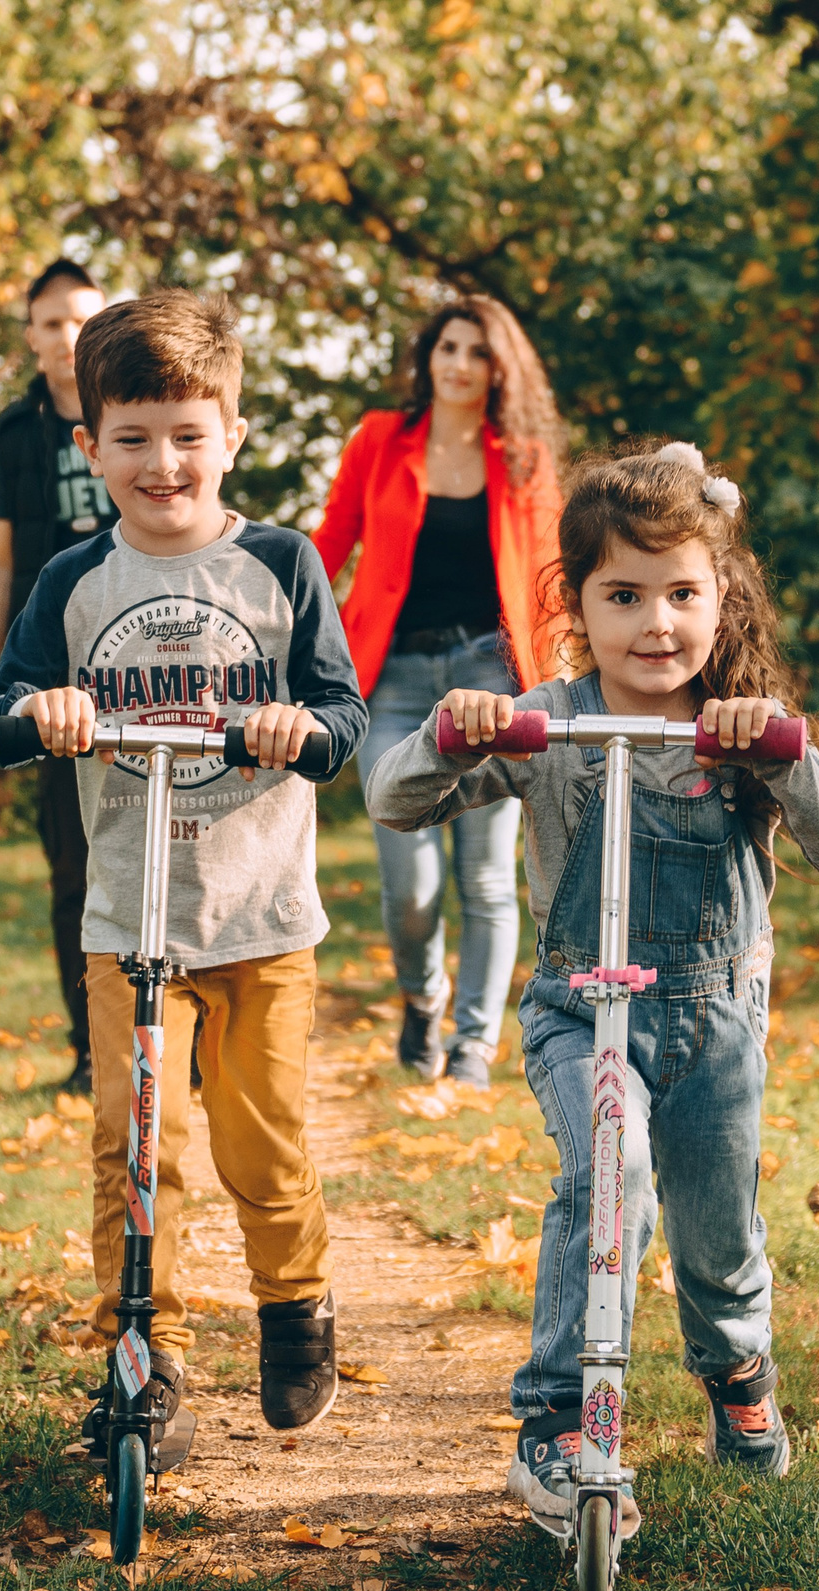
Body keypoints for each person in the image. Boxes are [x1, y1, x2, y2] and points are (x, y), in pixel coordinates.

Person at [364, 441, 819, 1539]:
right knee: (608, 1173)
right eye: (625, 595)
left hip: (713, 1022)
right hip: (577, 1011)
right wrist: (449, 737)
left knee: (714, 1232)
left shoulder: (741, 724)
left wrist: (785, 757)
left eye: (682, 593)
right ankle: (556, 1419)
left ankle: (737, 1367)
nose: (657, 622)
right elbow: (393, 797)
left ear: (719, 596)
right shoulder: (546, 720)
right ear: (576, 603)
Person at [0, 291, 370, 1465]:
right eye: (133, 437)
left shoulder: (281, 567)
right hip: (126, 918)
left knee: (259, 1140)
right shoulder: (72, 580)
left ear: (232, 435)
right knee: (134, 1142)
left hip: (259, 914)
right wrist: (40, 712)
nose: (163, 461)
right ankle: (140, 1354)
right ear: (88, 449)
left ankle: (294, 1302)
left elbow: (343, 716)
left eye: (190, 433)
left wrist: (301, 727)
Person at [314, 297, 564, 1087]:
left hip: (490, 675)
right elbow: (328, 543)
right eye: (447, 347)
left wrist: (562, 680)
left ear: (500, 368)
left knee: (488, 876)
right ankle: (424, 997)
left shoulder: (523, 456)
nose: (458, 363)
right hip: (389, 679)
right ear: (429, 356)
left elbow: (552, 582)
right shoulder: (381, 440)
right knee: (410, 881)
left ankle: (471, 1049)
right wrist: (273, 631)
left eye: (476, 351)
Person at [0, 259, 117, 1092]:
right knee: (74, 865)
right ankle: (90, 1048)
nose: (69, 338)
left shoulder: (135, 418)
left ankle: (183, 1036)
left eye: (84, 321)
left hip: (141, 663)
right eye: (53, 323)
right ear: (31, 336)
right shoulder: (14, 434)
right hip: (50, 675)